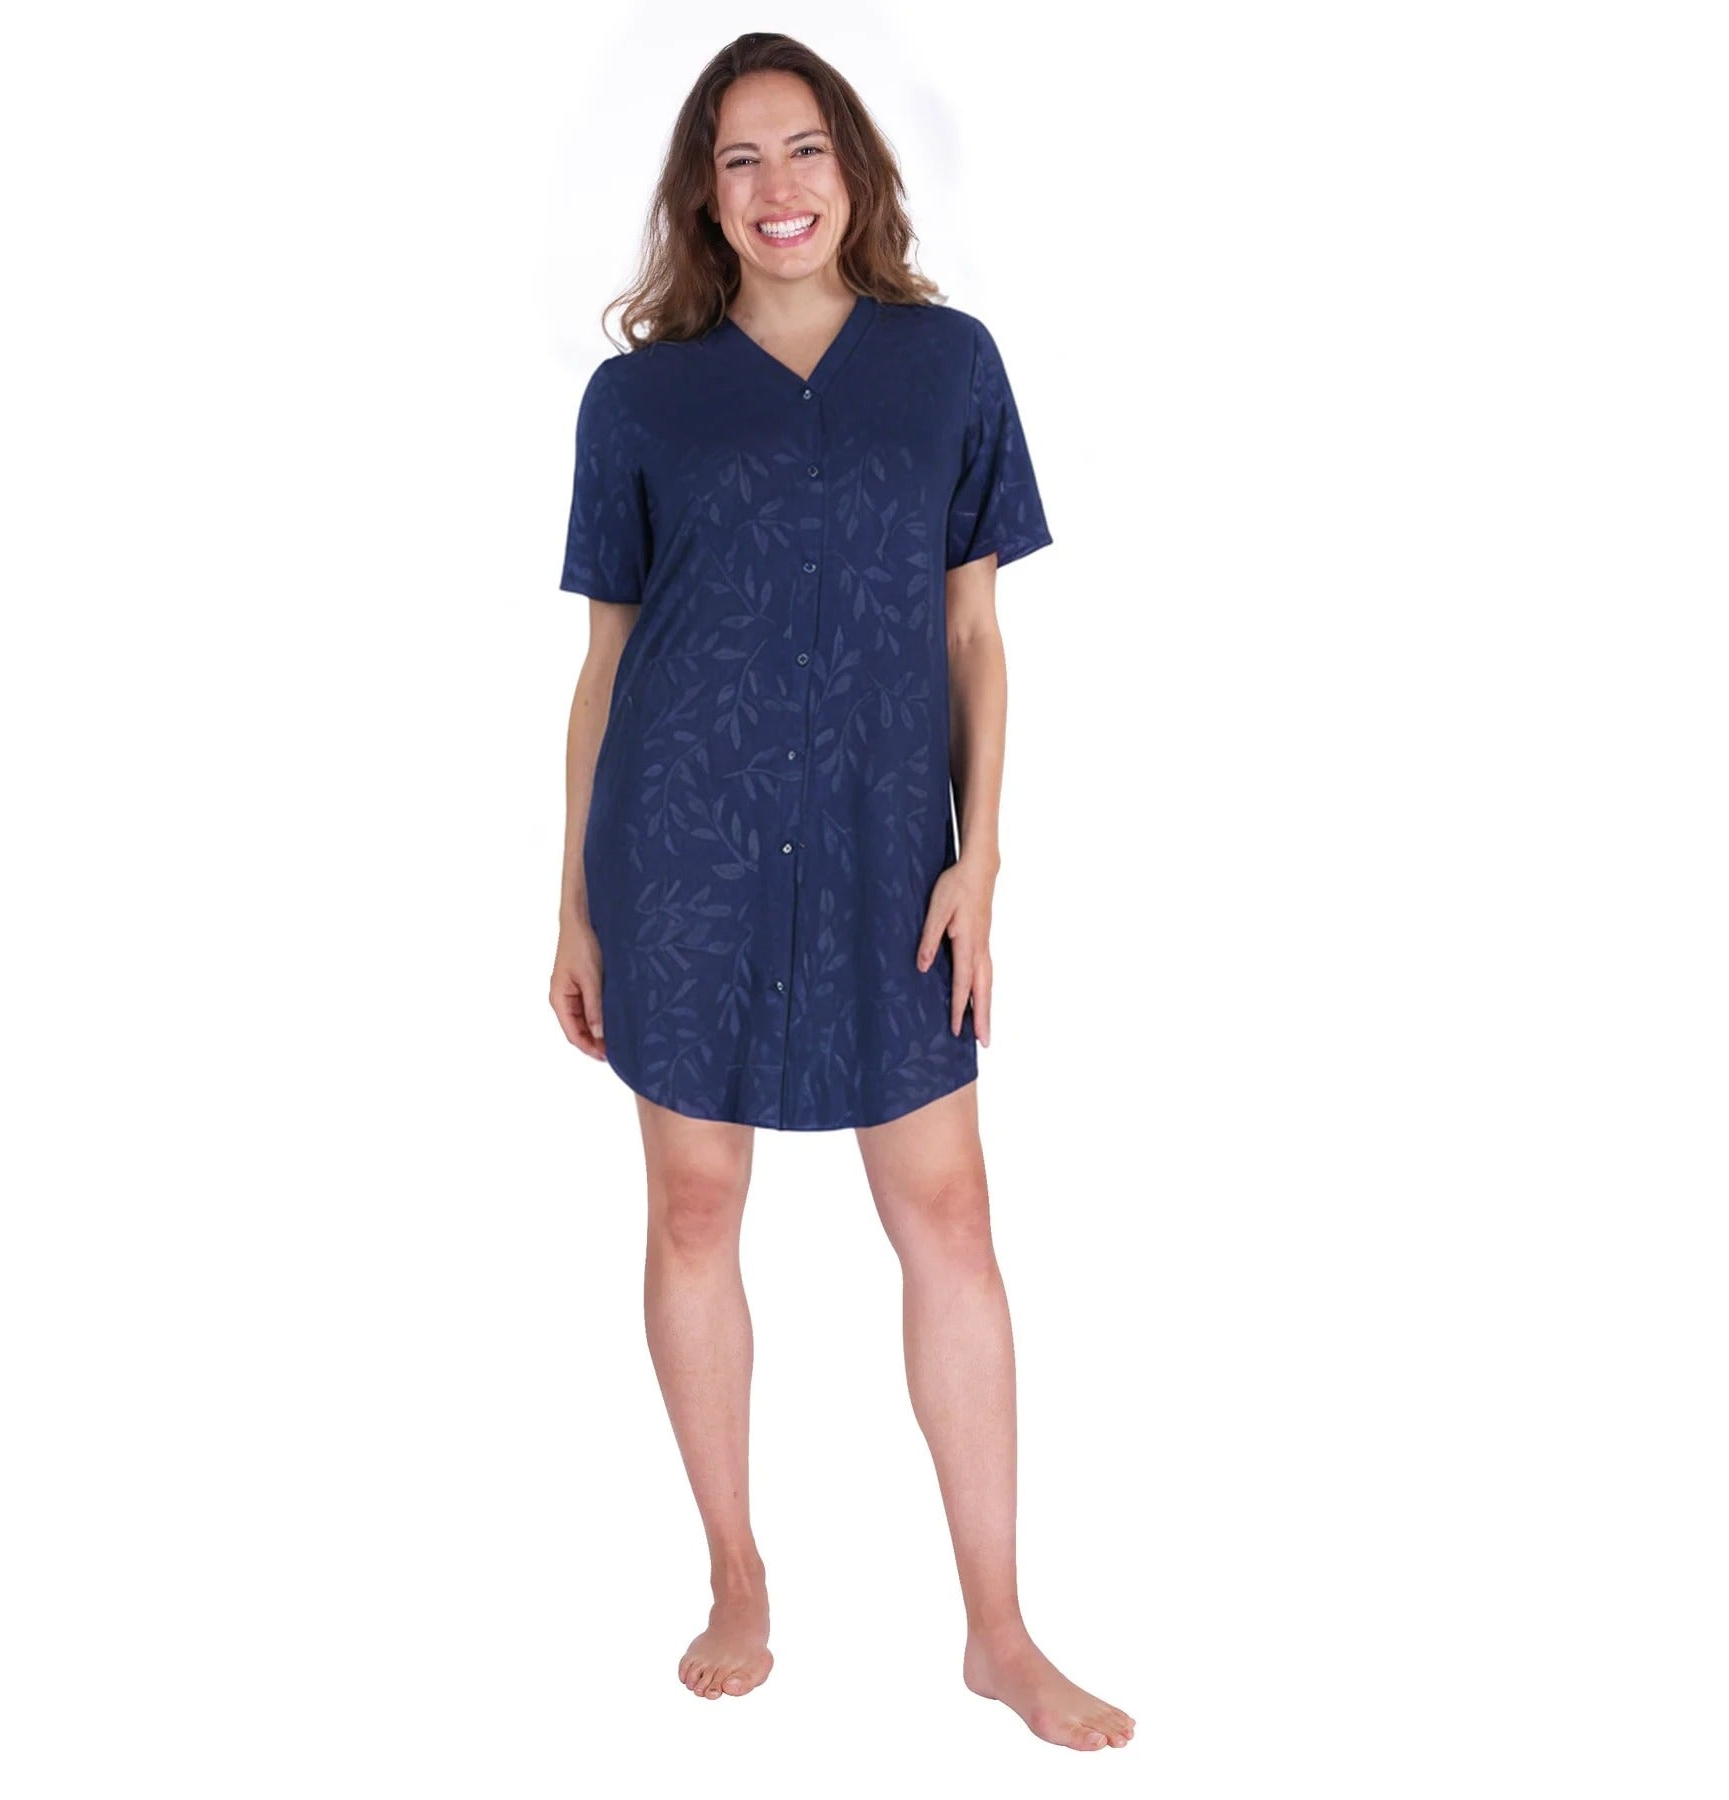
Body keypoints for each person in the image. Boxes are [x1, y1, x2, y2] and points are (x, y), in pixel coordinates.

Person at [550, 33, 1133, 1754]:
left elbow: (975, 634)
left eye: (804, 149)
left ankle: (1000, 1632)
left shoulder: (949, 368)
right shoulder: (638, 402)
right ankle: (736, 1574)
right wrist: (574, 903)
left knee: (948, 1218)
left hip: (892, 854)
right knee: (692, 1213)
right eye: (739, 160)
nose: (778, 187)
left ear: (857, 170)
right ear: (702, 194)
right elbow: (606, 667)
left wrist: (983, 858)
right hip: (685, 851)